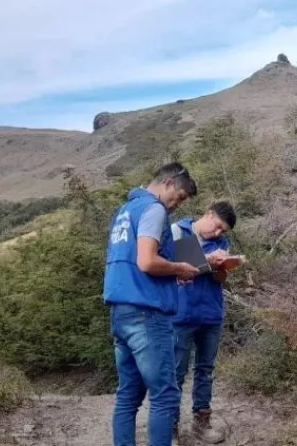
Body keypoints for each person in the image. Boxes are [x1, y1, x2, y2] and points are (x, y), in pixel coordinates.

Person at [103, 162, 199, 446]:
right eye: (179, 197)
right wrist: (180, 268)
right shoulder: (153, 208)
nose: (176, 205)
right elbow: (147, 261)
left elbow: (132, 263)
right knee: (165, 396)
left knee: (128, 395)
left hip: (121, 312)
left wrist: (171, 274)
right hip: (147, 315)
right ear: (169, 183)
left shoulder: (124, 210)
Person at [171, 201, 238, 444]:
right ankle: (172, 425)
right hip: (181, 314)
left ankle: (201, 422)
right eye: (218, 226)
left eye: (223, 232)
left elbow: (220, 279)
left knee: (205, 371)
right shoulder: (179, 231)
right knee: (176, 372)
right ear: (208, 214)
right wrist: (208, 261)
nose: (218, 233)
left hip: (211, 313)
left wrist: (224, 266)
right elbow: (183, 269)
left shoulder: (221, 243)